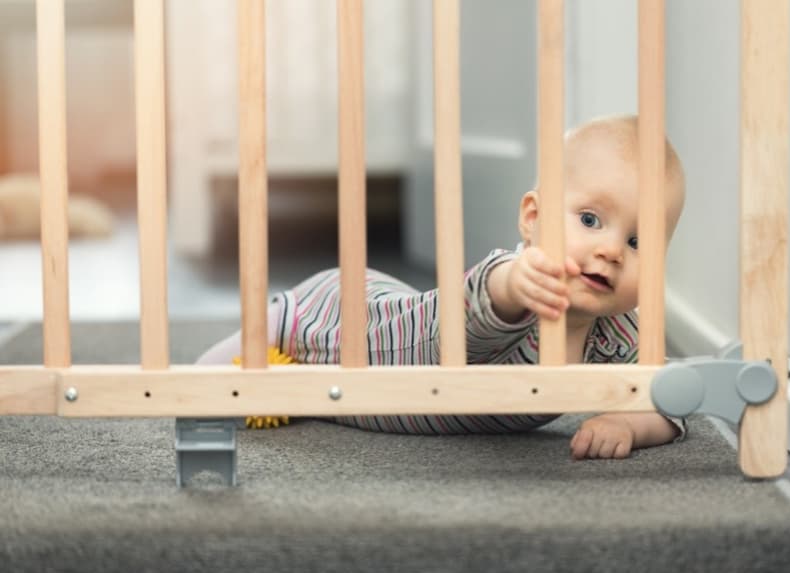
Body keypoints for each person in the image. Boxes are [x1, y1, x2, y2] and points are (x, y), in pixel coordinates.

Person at [197, 114, 687, 460]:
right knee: (262, 342)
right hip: (348, 316)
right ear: (532, 219)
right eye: (589, 219)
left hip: (381, 382)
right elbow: (477, 313)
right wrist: (515, 285)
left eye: (638, 240)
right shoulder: (514, 281)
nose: (612, 251)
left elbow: (669, 403)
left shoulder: (618, 334)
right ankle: (193, 378)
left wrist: (627, 423)